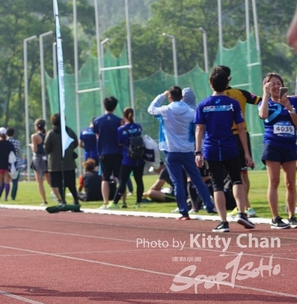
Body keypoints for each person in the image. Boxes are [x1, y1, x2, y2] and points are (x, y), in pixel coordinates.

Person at [195, 68, 255, 233]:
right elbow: (241, 129)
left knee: (217, 185)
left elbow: (199, 129)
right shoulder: (233, 103)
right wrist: (247, 153)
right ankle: (242, 212)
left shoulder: (203, 104)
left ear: (210, 84)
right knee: (237, 180)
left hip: (211, 148)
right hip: (230, 147)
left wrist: (198, 152)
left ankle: (223, 221)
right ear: (227, 82)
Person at [148, 86, 215, 220]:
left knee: (178, 183)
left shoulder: (165, 110)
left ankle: (184, 211)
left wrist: (162, 95)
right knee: (197, 179)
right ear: (182, 97)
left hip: (171, 151)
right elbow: (198, 129)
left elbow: (151, 109)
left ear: (170, 97)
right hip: (188, 150)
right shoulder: (191, 112)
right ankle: (209, 206)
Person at [213, 65, 261, 218]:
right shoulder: (241, 93)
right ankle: (247, 206)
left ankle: (245, 207)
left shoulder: (214, 98)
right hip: (242, 136)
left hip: (227, 137)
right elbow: (260, 101)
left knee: (235, 175)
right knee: (243, 173)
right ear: (229, 78)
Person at [258, 72, 297, 229]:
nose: (276, 86)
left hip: (289, 146)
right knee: (274, 181)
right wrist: (265, 94)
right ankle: (275, 218)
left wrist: (289, 108)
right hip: (272, 145)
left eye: (278, 83)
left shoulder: (292, 101)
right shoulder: (265, 102)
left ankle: (292, 216)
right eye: (272, 84)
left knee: (290, 183)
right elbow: (263, 115)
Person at [107, 107, 144, 209]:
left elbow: (119, 142)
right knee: (139, 181)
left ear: (124, 116)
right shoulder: (138, 127)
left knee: (122, 181)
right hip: (139, 158)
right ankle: (138, 203)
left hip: (127, 159)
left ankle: (114, 202)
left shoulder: (121, 129)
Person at [93, 96, 123, 208]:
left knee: (105, 178)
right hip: (118, 152)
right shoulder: (119, 120)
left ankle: (105, 202)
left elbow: (97, 135)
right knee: (121, 178)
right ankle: (123, 202)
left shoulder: (97, 120)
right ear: (115, 107)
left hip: (104, 152)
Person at [44, 113, 79, 206]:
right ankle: (76, 200)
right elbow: (75, 143)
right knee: (71, 183)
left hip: (55, 163)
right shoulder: (69, 131)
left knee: (60, 184)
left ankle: (63, 200)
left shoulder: (51, 133)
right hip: (69, 162)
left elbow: (46, 148)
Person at [0, 127, 15, 202]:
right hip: (7, 165)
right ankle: (6, 198)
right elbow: (13, 153)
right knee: (7, 182)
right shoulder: (9, 144)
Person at [31, 119, 49, 205]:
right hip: (46, 158)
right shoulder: (48, 134)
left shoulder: (34, 136)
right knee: (50, 181)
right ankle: (59, 198)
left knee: (39, 181)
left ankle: (44, 200)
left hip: (38, 159)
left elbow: (35, 149)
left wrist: (32, 146)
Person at [6, 128, 21, 201]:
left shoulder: (5, 142)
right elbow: (18, 152)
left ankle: (3, 195)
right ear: (13, 133)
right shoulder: (17, 142)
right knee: (15, 181)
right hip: (16, 162)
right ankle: (13, 196)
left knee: (5, 181)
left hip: (7, 163)